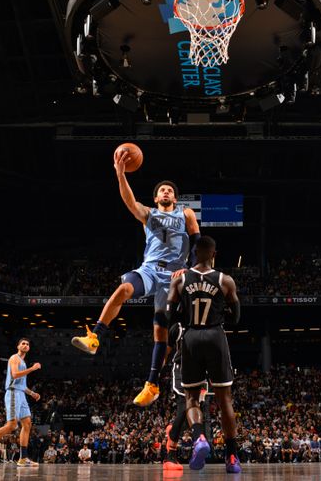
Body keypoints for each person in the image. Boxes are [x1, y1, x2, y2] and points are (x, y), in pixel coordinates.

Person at [72, 151, 200, 407]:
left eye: (169, 191)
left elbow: (197, 242)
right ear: (156, 197)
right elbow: (129, 201)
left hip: (174, 276)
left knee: (160, 333)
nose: (165, 192)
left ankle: (152, 385)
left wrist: (191, 269)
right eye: (161, 190)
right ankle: (95, 336)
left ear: (175, 197)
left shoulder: (185, 214)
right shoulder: (148, 214)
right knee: (124, 288)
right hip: (150, 269)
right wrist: (120, 175)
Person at [166, 235, 242, 473]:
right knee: (224, 399)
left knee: (191, 397)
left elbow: (170, 314)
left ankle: (199, 438)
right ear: (214, 254)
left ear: (194, 254)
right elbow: (237, 317)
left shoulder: (179, 280)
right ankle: (231, 457)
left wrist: (184, 318)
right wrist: (219, 316)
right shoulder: (225, 280)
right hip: (215, 336)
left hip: (190, 338)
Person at [0, 338, 42, 467]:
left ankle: (23, 458)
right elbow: (15, 374)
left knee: (27, 424)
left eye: (28, 344)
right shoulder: (14, 358)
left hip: (21, 394)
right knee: (12, 425)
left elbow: (22, 384)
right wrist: (32, 369)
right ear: (18, 346)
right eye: (23, 343)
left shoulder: (23, 361)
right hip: (13, 393)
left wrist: (32, 393)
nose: (25, 345)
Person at [162, 322, 212, 473]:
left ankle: (174, 433)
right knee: (186, 406)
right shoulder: (178, 327)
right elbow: (164, 351)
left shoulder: (209, 326)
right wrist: (154, 375)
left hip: (201, 371)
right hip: (181, 369)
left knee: (195, 412)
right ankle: (171, 455)